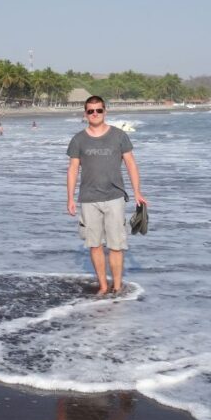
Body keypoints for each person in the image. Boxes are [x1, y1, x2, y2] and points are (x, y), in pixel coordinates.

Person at [67, 96, 147, 295]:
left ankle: (117, 287)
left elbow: (131, 164)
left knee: (116, 246)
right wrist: (70, 198)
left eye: (99, 110)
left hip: (115, 197)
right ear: (85, 114)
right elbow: (72, 169)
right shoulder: (78, 139)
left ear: (105, 112)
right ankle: (103, 286)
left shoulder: (119, 136)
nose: (95, 114)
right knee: (94, 245)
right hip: (88, 199)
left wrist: (137, 192)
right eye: (91, 111)